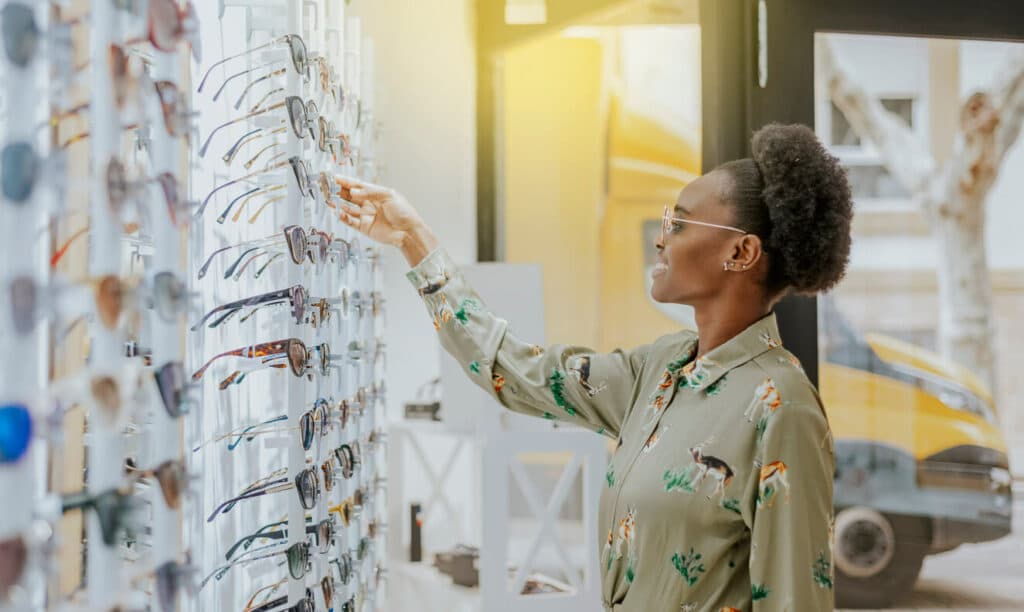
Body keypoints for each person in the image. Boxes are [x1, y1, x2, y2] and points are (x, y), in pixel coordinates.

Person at [336, 123, 852, 611]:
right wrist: (412, 238)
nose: (660, 236)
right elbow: (516, 373)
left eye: (679, 221)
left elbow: (795, 600)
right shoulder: (661, 370)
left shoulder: (783, 408)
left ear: (741, 252)